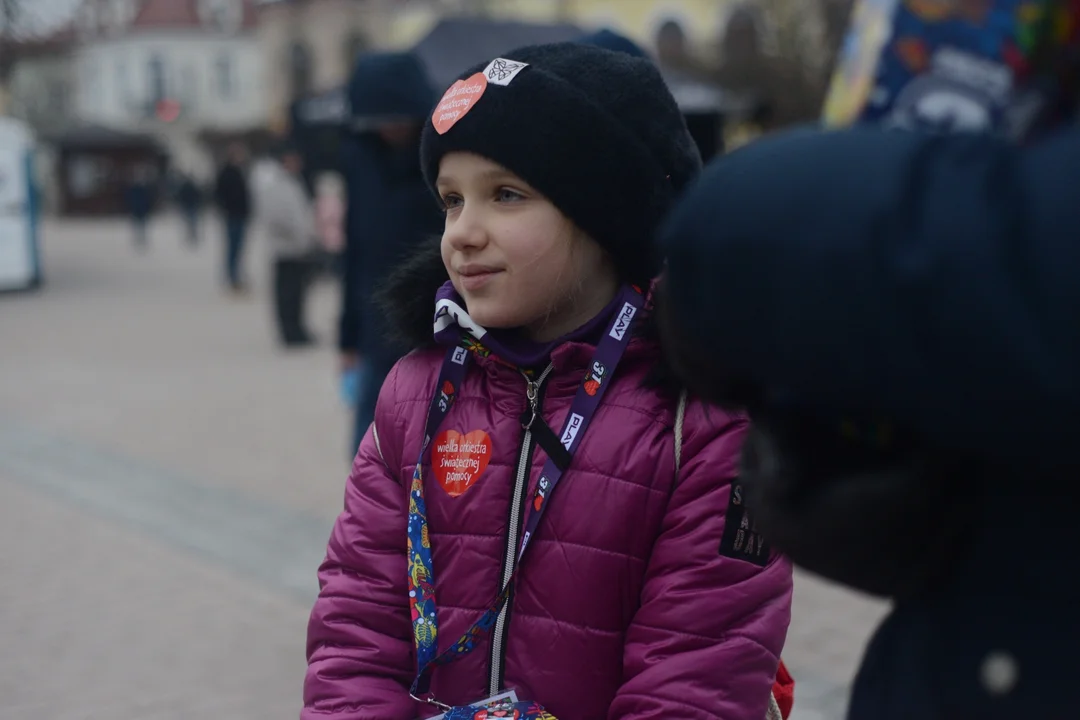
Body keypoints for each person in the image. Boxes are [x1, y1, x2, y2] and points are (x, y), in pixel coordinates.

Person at [303, 43, 793, 720]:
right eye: (451, 199)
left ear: (605, 216)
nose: (463, 233)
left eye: (506, 195)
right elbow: (356, 628)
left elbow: (694, 678)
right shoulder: (414, 393)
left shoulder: (704, 420)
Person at [656, 124, 1080, 719]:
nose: (471, 235)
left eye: (509, 195)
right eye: (467, 198)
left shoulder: (687, 426)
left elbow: (694, 657)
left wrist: (720, 223)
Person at [338, 51, 444, 454]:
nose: (389, 128)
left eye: (397, 117)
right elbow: (354, 250)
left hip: (435, 322)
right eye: (379, 119)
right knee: (370, 448)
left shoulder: (441, 157)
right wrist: (347, 338)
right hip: (375, 324)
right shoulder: (358, 157)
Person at [258, 143, 318, 348]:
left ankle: (299, 329)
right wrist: (294, 233)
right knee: (286, 294)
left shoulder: (294, 183)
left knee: (298, 293)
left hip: (299, 248)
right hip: (284, 249)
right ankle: (289, 332)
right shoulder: (274, 185)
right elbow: (274, 217)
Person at [213, 142, 252, 293]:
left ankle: (237, 275)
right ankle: (232, 277)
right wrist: (226, 208)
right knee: (232, 248)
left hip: (241, 215)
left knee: (239, 248)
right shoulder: (227, 172)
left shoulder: (241, 171)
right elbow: (219, 194)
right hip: (232, 215)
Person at [175, 172, 203, 246]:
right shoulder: (190, 187)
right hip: (190, 206)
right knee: (191, 223)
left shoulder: (186, 186)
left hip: (190, 206)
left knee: (190, 223)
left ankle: (191, 236)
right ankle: (191, 236)